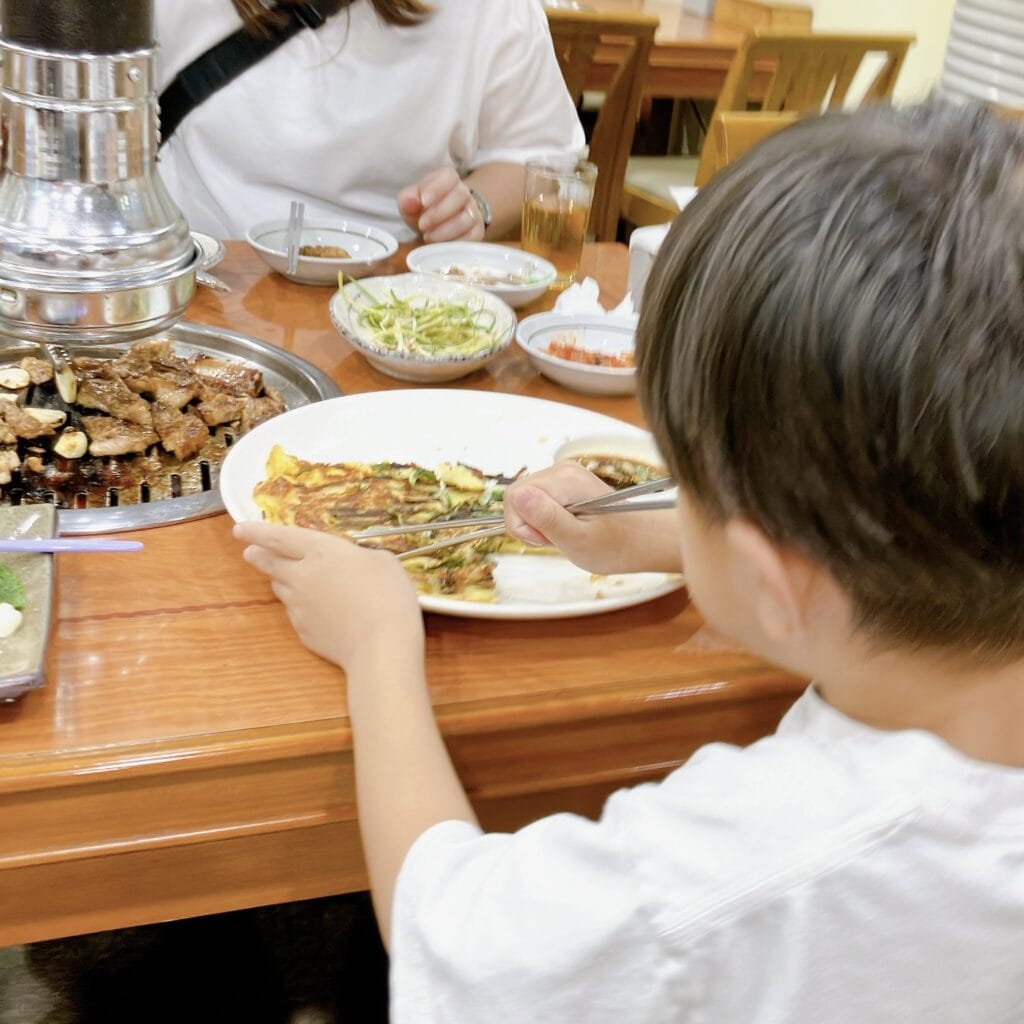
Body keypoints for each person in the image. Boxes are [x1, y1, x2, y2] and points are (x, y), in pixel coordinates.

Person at [233, 102, 1024, 1021]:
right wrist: (656, 538)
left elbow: (446, 935)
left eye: (679, 482)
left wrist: (377, 642)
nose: (668, 497)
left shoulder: (729, 873)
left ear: (780, 582)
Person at [154, 0, 585, 242]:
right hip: (203, 287)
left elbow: (538, 157)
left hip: (399, 305)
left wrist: (473, 207)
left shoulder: (489, 11)